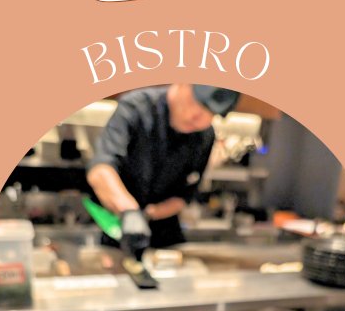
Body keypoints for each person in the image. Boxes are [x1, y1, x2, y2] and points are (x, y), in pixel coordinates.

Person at [87, 84, 241, 254]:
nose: (200, 117)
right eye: (196, 102)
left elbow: (184, 196)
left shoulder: (205, 135)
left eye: (212, 113)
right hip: (118, 225)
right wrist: (130, 212)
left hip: (167, 237)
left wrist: (149, 214)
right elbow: (100, 170)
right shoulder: (135, 107)